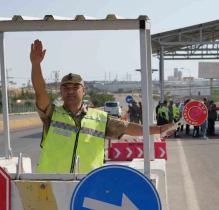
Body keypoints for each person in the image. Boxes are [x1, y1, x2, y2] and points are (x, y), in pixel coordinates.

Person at [30, 39, 173, 173]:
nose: (71, 91)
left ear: (83, 91)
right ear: (61, 91)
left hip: (87, 184)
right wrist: (36, 65)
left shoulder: (100, 118)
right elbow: (40, 93)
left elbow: (128, 127)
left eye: (75, 87)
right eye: (66, 88)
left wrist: (159, 129)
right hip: (51, 183)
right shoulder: (52, 113)